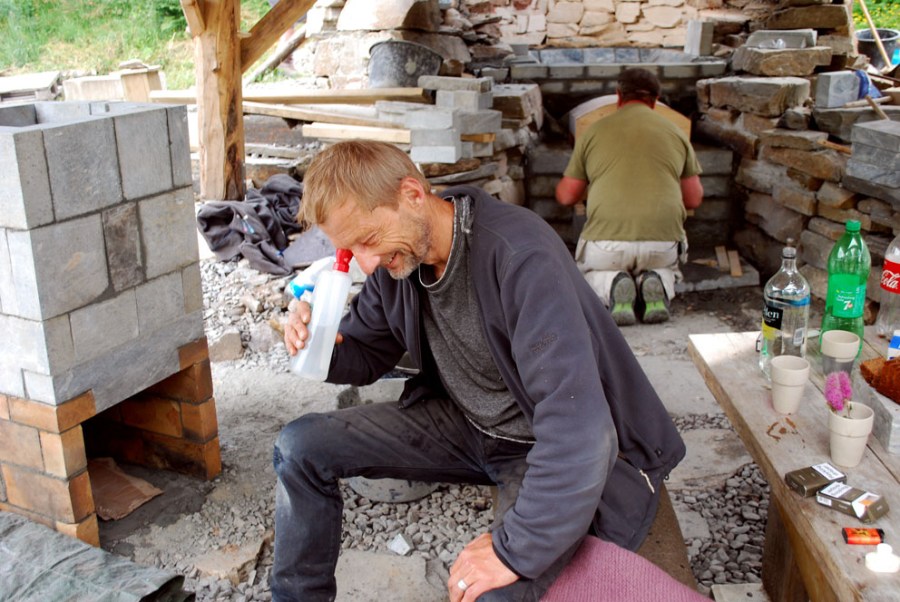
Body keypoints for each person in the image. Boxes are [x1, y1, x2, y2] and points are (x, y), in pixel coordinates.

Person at [275, 140, 686, 601]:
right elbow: (366, 353)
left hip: (537, 446)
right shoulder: (398, 262)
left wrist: (511, 553)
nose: (366, 264)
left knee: (487, 593)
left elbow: (580, 433)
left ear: (412, 194)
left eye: (368, 240)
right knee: (300, 447)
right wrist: (318, 344)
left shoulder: (519, 255)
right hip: (467, 425)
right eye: (350, 250)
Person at [555, 67, 704, 326]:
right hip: (662, 243)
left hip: (606, 245)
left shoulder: (594, 131)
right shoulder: (677, 133)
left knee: (590, 273)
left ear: (618, 96)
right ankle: (655, 282)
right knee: (667, 269)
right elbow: (693, 199)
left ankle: (612, 285)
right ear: (656, 100)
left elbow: (567, 196)